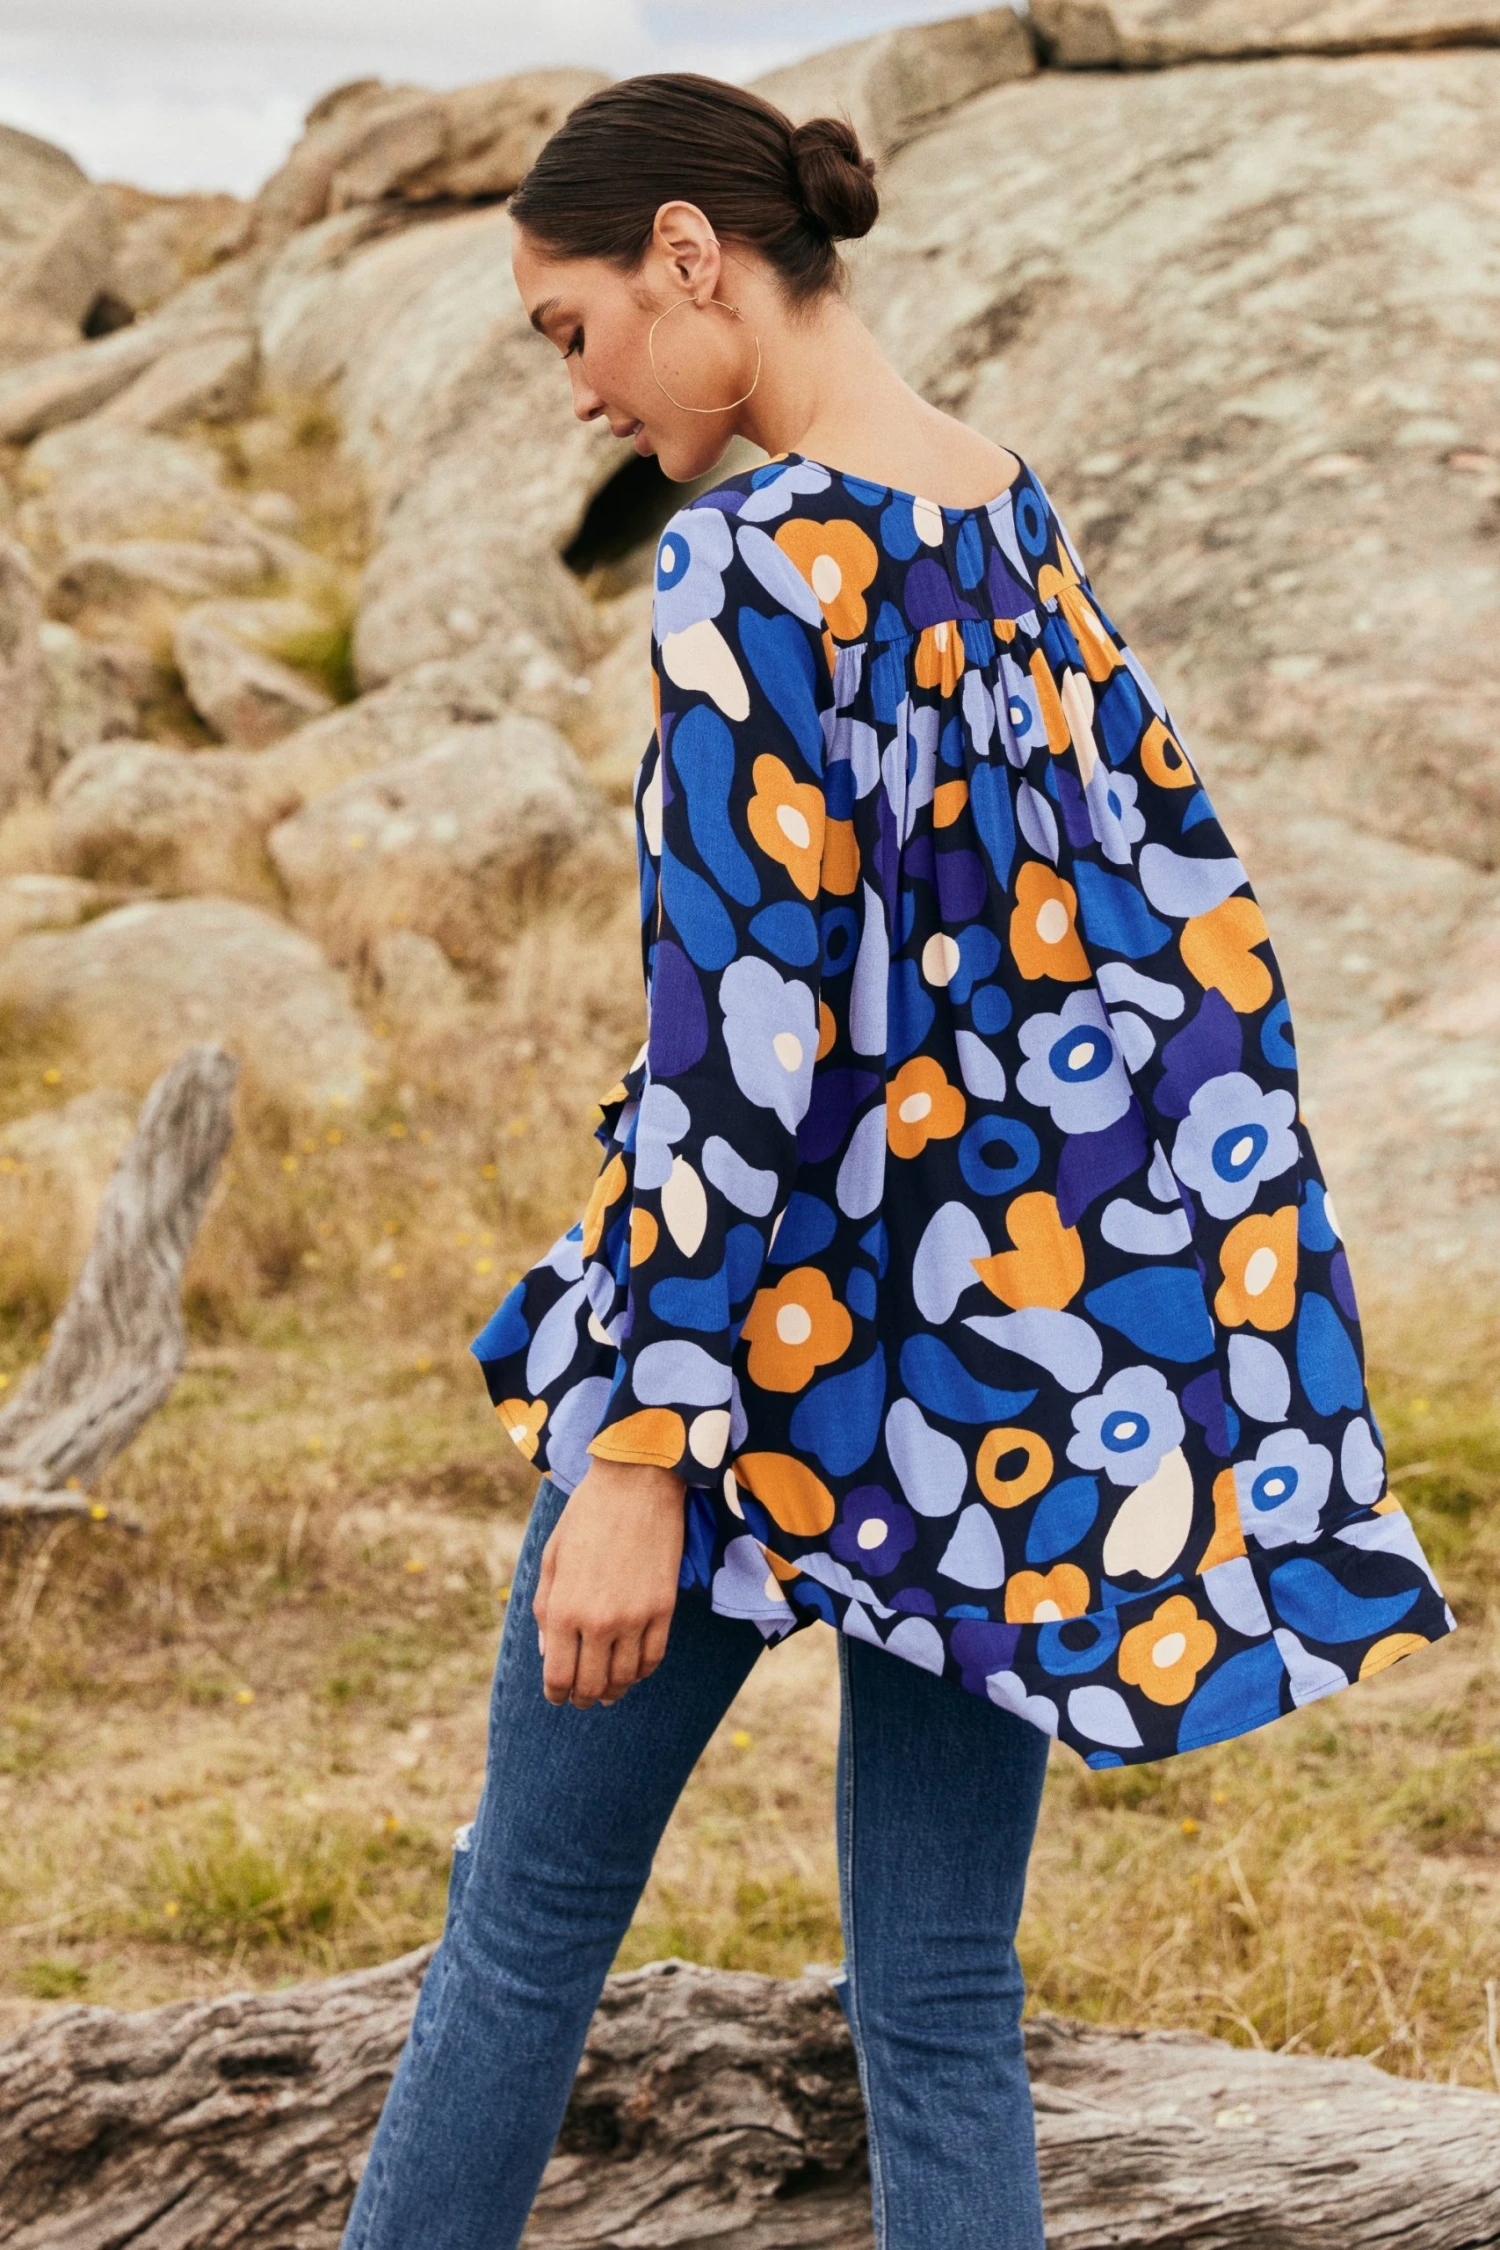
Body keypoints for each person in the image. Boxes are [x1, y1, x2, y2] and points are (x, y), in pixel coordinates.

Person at [342, 71, 1454, 2250]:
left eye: (573, 329)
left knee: (524, 1936)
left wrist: (641, 1453)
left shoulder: (755, 559)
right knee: (941, 2001)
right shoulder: (1002, 512)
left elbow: (736, 1043)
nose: (577, 392)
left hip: (746, 1364)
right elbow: (1174, 936)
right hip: (983, 1392)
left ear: (689, 256)